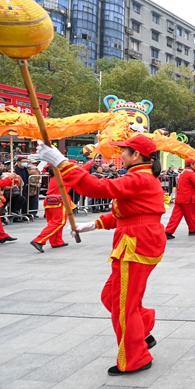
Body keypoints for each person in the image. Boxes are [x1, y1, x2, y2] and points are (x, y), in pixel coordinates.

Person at [36, 135, 166, 376]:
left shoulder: (139, 177)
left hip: (136, 243)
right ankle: (142, 332)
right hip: (137, 240)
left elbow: (99, 188)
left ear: (135, 155)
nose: (120, 155)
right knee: (111, 296)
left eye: (124, 151)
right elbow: (130, 213)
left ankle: (136, 357)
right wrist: (94, 224)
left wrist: (63, 163)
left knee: (124, 305)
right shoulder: (142, 176)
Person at [30, 163, 78, 253]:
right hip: (58, 200)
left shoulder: (54, 176)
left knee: (53, 222)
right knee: (58, 222)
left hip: (49, 200)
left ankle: (56, 241)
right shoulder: (62, 175)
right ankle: (39, 240)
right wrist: (90, 163)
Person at [164, 158, 195, 239]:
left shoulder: (183, 172)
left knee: (176, 216)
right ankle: (193, 229)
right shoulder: (190, 172)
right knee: (191, 215)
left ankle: (168, 231)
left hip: (180, 197)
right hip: (187, 198)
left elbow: (189, 184)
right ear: (191, 164)